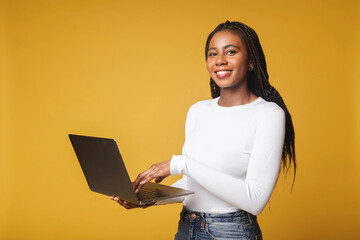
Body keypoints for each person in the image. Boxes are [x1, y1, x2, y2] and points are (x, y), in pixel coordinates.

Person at [110, 20, 296, 240]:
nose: (220, 61)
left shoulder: (268, 114)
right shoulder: (198, 111)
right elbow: (194, 184)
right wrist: (147, 199)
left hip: (231, 232)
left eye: (231, 52)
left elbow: (255, 199)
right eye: (212, 54)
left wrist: (181, 164)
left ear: (251, 61)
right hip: (187, 227)